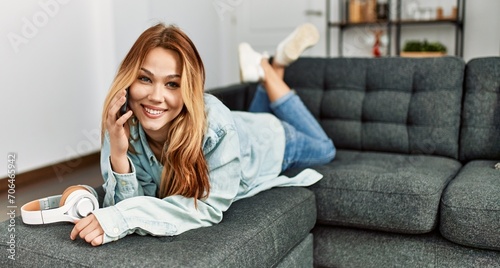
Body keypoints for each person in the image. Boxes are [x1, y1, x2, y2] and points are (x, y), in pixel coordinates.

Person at [69, 22, 335, 246]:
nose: (155, 97)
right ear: (129, 79)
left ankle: (266, 67)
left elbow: (206, 208)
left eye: (172, 84)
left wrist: (121, 219)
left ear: (189, 89)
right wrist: (118, 153)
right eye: (145, 79)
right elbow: (132, 203)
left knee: (326, 149)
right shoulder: (123, 120)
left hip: (270, 139)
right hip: (239, 128)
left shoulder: (217, 127)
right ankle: (273, 66)